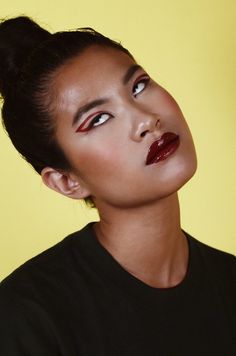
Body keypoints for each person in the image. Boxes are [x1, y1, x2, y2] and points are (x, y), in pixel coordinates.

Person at [0, 16, 235, 356]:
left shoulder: (230, 283)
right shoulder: (24, 318)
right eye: (98, 119)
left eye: (138, 86)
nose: (145, 120)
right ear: (66, 181)